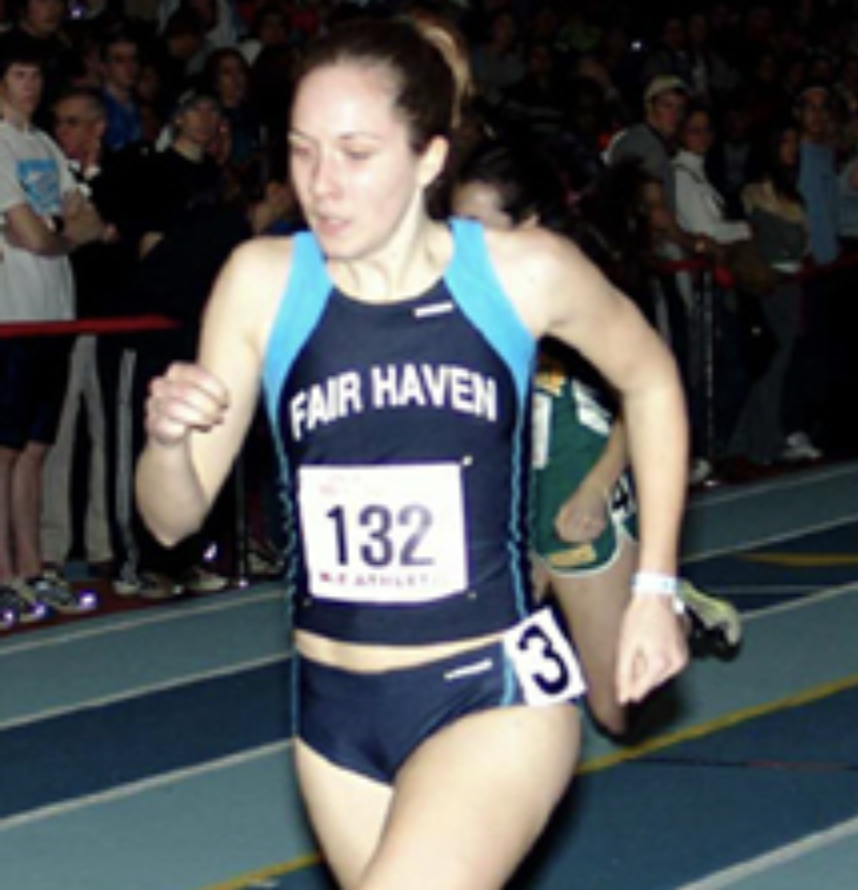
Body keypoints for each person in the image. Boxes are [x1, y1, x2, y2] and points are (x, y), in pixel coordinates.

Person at [136, 17, 689, 890]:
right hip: (335, 715)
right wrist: (168, 442)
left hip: (490, 694)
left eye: (356, 154)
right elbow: (171, 520)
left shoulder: (518, 272)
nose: (322, 183)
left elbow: (652, 379)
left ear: (430, 158)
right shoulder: (261, 282)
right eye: (303, 151)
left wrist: (654, 588)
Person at [452, 138, 742, 739]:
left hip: (577, 481)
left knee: (615, 709)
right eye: (454, 228)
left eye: (478, 229)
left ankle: (674, 609)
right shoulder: (455, 294)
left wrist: (597, 486)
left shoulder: (576, 294)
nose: (461, 246)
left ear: (527, 224)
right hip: (512, 495)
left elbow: (649, 396)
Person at [0, 49, 107, 624]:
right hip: (12, 313)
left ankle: (30, 566)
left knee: (37, 448)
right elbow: (30, 234)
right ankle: (3, 574)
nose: (30, 85)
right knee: (5, 450)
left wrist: (57, 235)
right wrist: (56, 236)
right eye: (19, 74)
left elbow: (84, 223)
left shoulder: (42, 143)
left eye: (36, 75)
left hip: (56, 312)